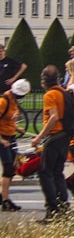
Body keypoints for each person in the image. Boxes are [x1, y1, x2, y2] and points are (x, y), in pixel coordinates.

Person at [31, 65, 71, 221]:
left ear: (45, 80)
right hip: (65, 136)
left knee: (45, 172)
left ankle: (52, 209)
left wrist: (39, 137)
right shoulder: (65, 92)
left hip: (54, 136)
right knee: (57, 172)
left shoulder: (51, 95)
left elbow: (53, 117)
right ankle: (63, 206)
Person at [0, 78, 30, 211]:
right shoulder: (3, 101)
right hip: (2, 138)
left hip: (10, 137)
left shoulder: (13, 101)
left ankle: (3, 196)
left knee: (11, 168)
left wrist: (18, 129)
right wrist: (1, 140)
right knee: (7, 168)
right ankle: (5, 201)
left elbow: (9, 119)